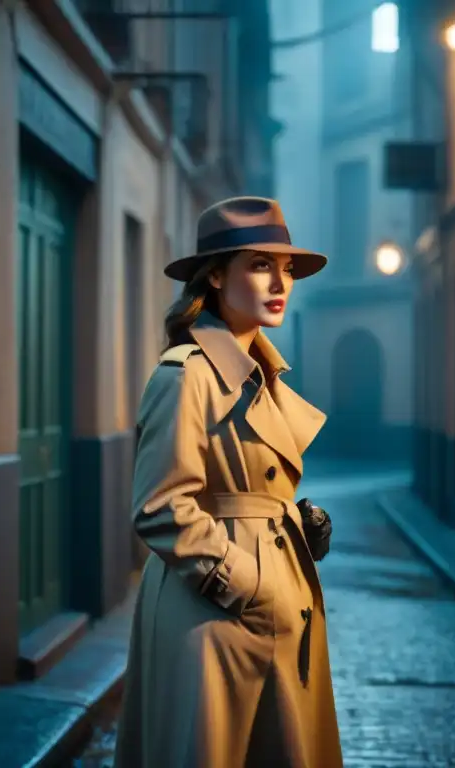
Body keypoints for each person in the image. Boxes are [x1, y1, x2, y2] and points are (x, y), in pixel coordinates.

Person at [113, 196, 343, 768]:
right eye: (259, 265)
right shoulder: (186, 374)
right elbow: (160, 506)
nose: (279, 282)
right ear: (215, 276)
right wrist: (245, 581)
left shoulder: (259, 375)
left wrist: (293, 523)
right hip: (214, 617)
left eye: (285, 268)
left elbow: (254, 484)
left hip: (274, 614)